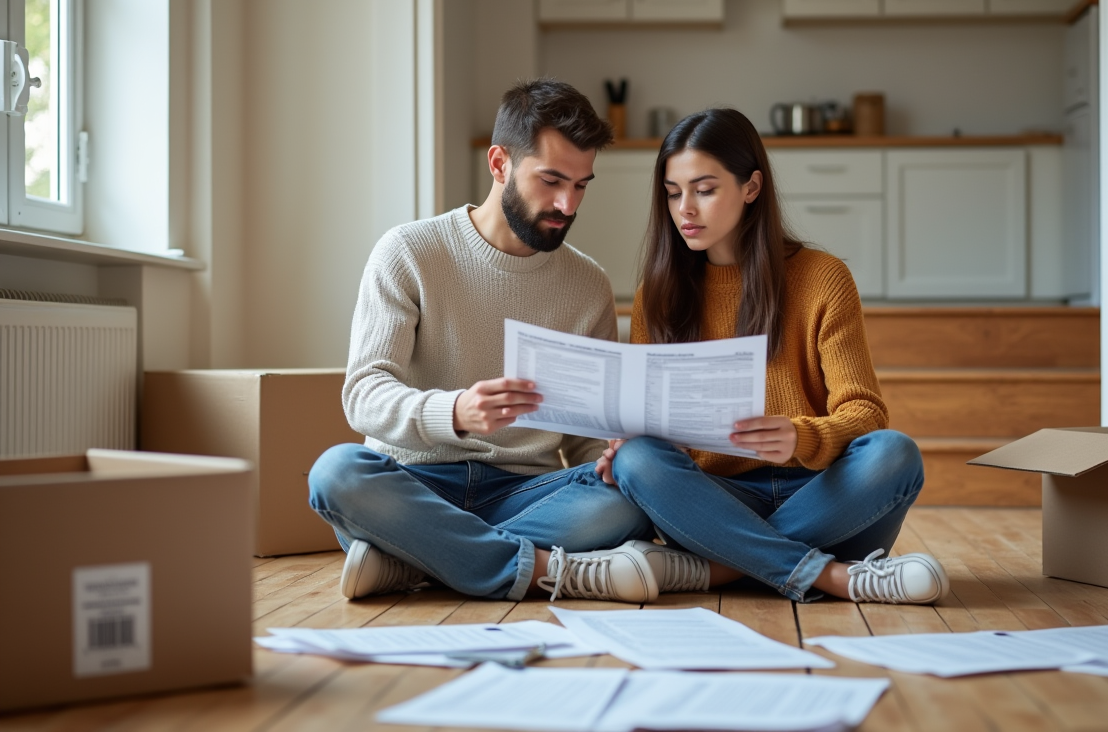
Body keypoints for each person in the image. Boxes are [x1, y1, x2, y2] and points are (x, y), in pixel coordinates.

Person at [308, 78, 661, 604]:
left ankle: (415, 561)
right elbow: (363, 394)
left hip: (521, 494)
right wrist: (455, 412)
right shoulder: (408, 251)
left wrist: (608, 456)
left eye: (582, 184)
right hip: (415, 482)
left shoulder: (588, 285)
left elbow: (585, 437)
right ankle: (538, 567)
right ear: (499, 164)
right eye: (551, 180)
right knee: (337, 473)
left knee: (629, 498)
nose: (567, 203)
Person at [595, 108, 950, 605]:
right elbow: (653, 433)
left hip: (823, 497)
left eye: (705, 189)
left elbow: (865, 414)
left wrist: (802, 436)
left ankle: (718, 570)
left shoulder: (823, 278)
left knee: (895, 454)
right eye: (673, 193)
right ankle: (831, 576)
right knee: (637, 459)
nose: (685, 210)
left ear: (751, 187)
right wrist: (629, 440)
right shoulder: (659, 294)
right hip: (717, 502)